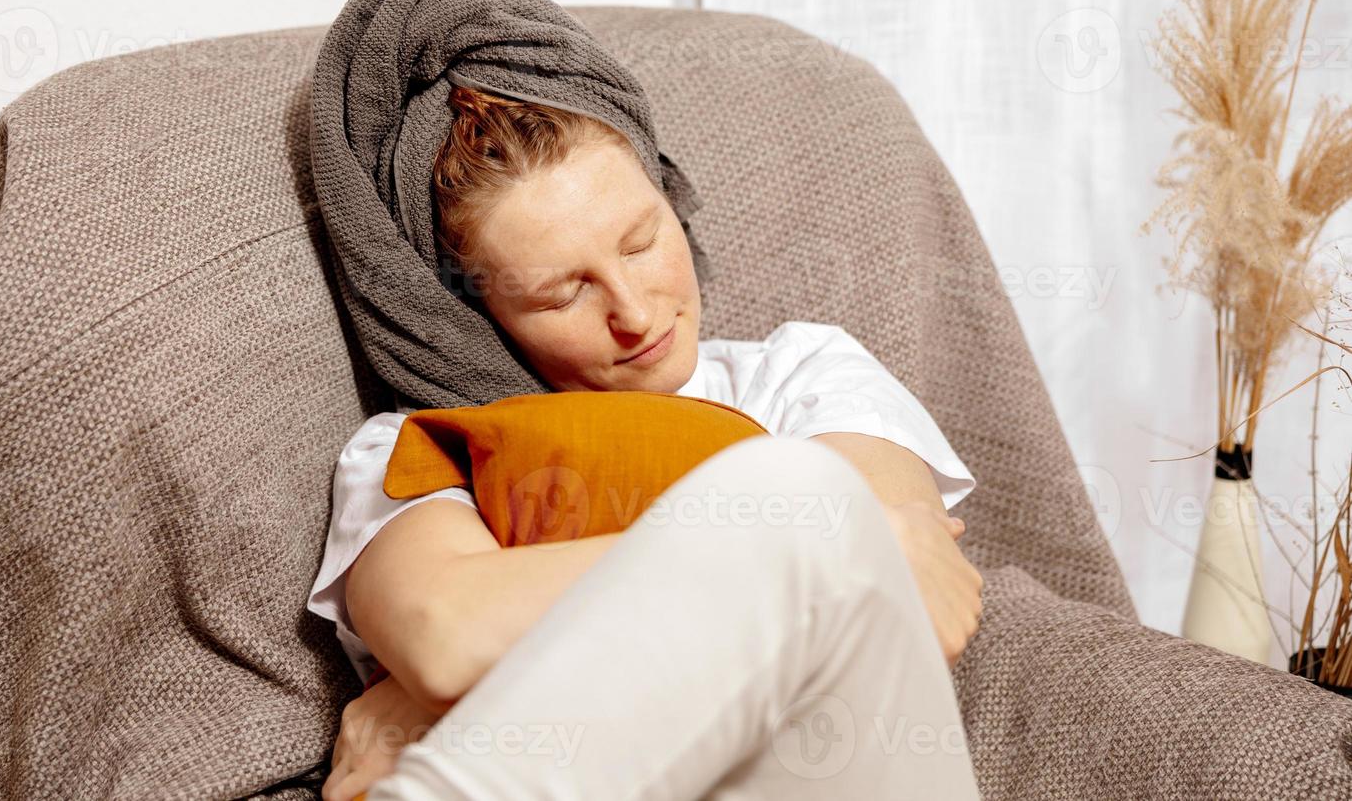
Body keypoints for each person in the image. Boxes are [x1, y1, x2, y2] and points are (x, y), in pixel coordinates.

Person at [310, 84, 985, 800]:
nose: (633, 314)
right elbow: (445, 637)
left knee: (802, 491)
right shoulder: (418, 444)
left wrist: (457, 694)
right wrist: (803, 543)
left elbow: (914, 592)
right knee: (809, 502)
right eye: (561, 295)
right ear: (477, 314)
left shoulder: (804, 374)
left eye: (642, 242)